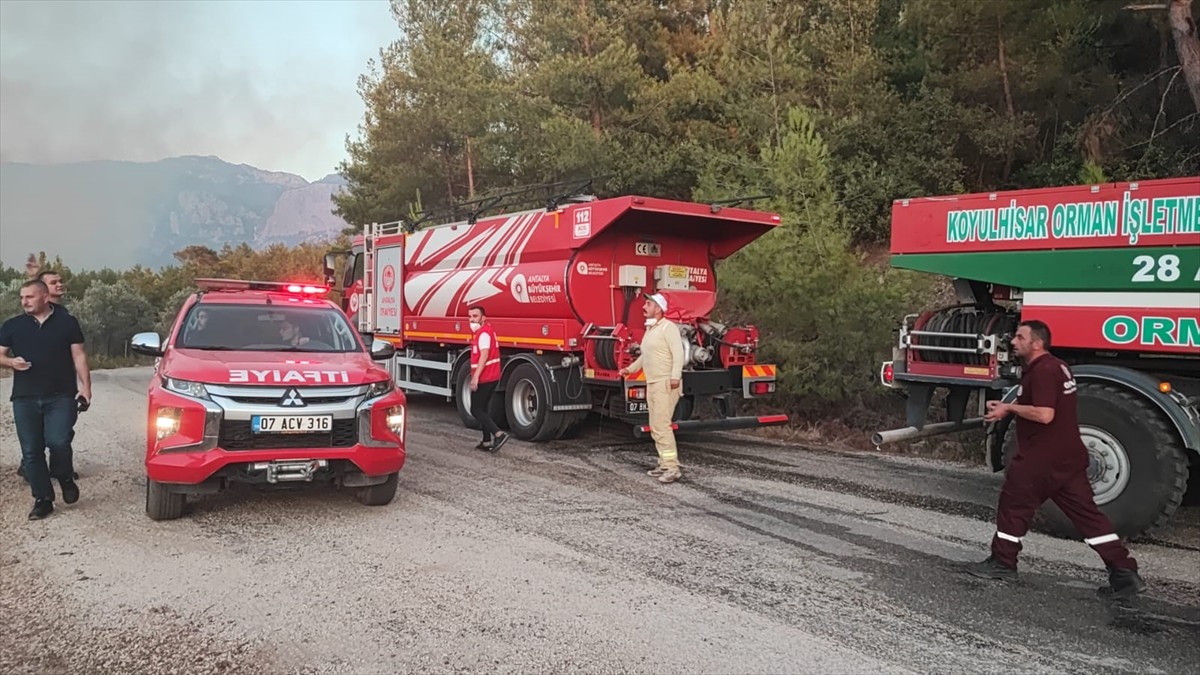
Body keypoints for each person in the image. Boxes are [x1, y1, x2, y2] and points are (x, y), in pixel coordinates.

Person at [966, 320, 1146, 598]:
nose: (1014, 341)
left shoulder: (1044, 371)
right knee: (1088, 517)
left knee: (1013, 506)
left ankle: (1003, 562)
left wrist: (1008, 408)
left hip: (1042, 457)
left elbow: (1045, 414)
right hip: (1069, 456)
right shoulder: (1057, 367)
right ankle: (1124, 573)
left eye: (1020, 337)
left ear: (1036, 343)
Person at [0, 279, 91, 520]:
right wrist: (11, 362)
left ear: (44, 297)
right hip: (24, 397)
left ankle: (64, 476)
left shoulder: (67, 322)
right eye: (22, 298)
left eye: (29, 297)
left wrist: (86, 388)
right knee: (31, 451)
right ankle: (43, 499)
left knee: (59, 441)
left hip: (61, 395)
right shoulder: (13, 325)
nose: (24, 302)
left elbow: (79, 355)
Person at [619, 292, 685, 484]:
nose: (643, 307)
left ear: (658, 308)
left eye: (648, 304)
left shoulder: (668, 328)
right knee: (656, 426)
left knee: (662, 426)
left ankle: (672, 467)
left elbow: (678, 354)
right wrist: (630, 369)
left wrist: (675, 377)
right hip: (653, 383)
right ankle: (664, 463)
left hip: (665, 383)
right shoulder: (651, 330)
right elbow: (644, 356)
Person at [467, 304, 508, 452]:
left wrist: (475, 378)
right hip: (491, 376)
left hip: (486, 377)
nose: (472, 320)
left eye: (475, 316)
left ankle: (498, 434)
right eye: (470, 317)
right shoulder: (486, 332)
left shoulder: (483, 334)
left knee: (476, 409)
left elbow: (484, 356)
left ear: (483, 318)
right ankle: (486, 441)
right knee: (483, 408)